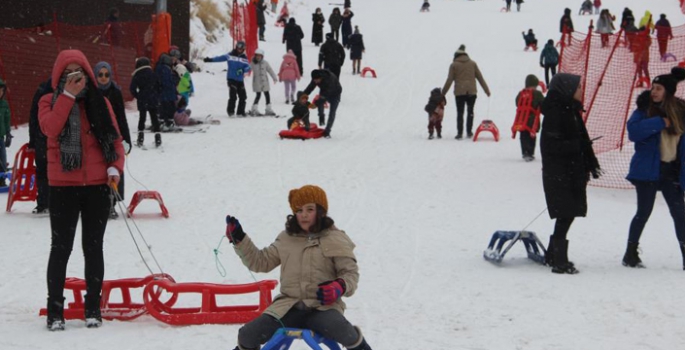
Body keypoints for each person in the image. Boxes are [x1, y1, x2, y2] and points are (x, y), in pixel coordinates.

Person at [225, 185, 373, 350]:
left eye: (309, 209)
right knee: (247, 334)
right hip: (288, 308)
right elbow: (261, 262)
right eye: (299, 210)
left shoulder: (336, 238)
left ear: (321, 211)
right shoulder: (287, 238)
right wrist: (239, 238)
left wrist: (340, 286)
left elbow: (350, 273)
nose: (303, 215)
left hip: (322, 309)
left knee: (346, 333)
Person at [38, 49, 125, 330]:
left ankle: (92, 308)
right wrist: (67, 97)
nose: (74, 78)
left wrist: (115, 167)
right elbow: (51, 129)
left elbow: (115, 140)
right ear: (59, 77)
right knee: (60, 248)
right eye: (67, 73)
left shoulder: (100, 102)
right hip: (63, 186)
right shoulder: (47, 101)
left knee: (94, 246)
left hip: (98, 186)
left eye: (79, 72)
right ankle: (55, 311)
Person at [623, 67, 685, 270]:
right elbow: (633, 131)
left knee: (679, 213)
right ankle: (630, 253)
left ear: (668, 91)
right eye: (653, 88)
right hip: (647, 170)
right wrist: (660, 122)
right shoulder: (643, 110)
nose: (654, 92)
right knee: (644, 212)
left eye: (658, 88)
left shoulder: (680, 111)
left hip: (670, 171)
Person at [540, 73, 601, 275]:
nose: (581, 91)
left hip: (571, 170)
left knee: (568, 213)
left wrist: (584, 154)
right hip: (560, 172)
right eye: (578, 88)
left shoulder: (570, 111)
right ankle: (559, 260)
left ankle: (552, 255)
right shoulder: (557, 113)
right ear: (567, 90)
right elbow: (551, 146)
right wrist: (578, 146)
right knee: (565, 213)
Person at [95, 61, 131, 219]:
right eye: (100, 75)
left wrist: (126, 138)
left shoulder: (115, 92)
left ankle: (111, 203)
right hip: (95, 136)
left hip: (113, 136)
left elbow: (121, 117)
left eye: (106, 74)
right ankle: (98, 203)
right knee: (98, 170)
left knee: (114, 168)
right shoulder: (91, 91)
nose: (103, 78)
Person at [441, 45, 491, 140]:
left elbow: (449, 80)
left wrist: (443, 93)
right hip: (471, 92)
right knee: (470, 111)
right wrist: (486, 90)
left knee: (460, 112)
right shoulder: (472, 63)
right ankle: (469, 132)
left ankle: (460, 133)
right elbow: (480, 78)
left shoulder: (454, 65)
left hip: (460, 92)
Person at [204, 41, 252, 117]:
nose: (239, 49)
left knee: (243, 96)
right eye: (238, 47)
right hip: (231, 79)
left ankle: (240, 112)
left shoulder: (244, 58)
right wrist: (210, 59)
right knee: (233, 96)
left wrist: (243, 70)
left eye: (241, 48)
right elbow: (220, 58)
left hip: (240, 80)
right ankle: (231, 112)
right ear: (236, 47)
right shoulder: (230, 55)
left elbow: (248, 67)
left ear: (243, 49)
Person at [28, 78, 52, 213]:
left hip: (42, 137)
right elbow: (33, 116)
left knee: (43, 171)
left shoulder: (42, 90)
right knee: (46, 170)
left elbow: (33, 116)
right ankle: (47, 202)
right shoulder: (44, 91)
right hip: (45, 138)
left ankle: (44, 202)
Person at [130, 57, 162, 148]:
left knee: (142, 119)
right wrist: (156, 95)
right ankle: (158, 138)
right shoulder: (153, 74)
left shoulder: (137, 75)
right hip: (152, 98)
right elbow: (159, 86)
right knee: (154, 118)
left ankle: (140, 139)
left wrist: (138, 96)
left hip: (142, 99)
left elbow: (132, 89)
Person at [304, 69, 343, 138]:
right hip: (324, 91)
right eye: (314, 80)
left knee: (332, 112)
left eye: (317, 80)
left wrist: (317, 102)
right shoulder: (315, 78)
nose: (315, 82)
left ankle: (327, 131)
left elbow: (326, 94)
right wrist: (303, 95)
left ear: (321, 78)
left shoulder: (329, 79)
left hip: (335, 94)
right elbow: (310, 87)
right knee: (320, 102)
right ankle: (321, 116)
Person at [513, 75, 544, 161]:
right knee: (531, 135)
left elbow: (516, 102)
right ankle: (530, 152)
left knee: (523, 135)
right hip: (532, 120)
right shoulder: (537, 93)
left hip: (521, 119)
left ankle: (525, 151)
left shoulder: (521, 93)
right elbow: (543, 104)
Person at [249, 49, 278, 116]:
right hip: (257, 82)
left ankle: (268, 109)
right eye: (257, 56)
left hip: (265, 82)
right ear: (255, 56)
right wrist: (243, 72)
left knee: (267, 94)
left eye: (260, 56)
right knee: (258, 95)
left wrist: (274, 77)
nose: (258, 57)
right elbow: (248, 68)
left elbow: (270, 70)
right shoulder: (253, 63)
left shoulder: (265, 63)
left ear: (262, 56)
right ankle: (254, 109)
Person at [155, 53, 177, 131]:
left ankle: (165, 122)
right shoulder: (165, 69)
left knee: (165, 108)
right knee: (168, 108)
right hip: (167, 93)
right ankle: (166, 122)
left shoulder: (160, 68)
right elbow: (167, 81)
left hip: (165, 93)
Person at [0, 79, 11, 188]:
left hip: (0, 137)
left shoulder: (4, 104)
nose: (0, 92)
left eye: (2, 91)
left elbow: (7, 120)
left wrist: (8, 133)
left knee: (2, 159)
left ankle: (2, 180)